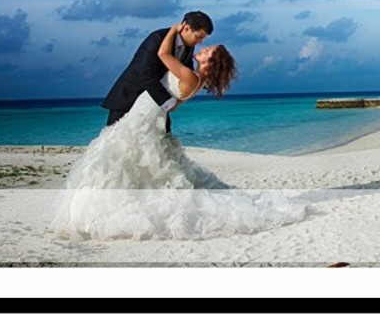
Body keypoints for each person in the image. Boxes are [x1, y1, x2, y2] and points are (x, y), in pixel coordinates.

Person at [50, 21, 305, 241]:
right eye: (204, 44)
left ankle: (103, 211)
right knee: (126, 164)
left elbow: (162, 54)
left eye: (208, 51)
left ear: (210, 63)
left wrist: (173, 30)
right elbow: (173, 105)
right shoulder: (195, 79)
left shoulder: (191, 77)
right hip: (147, 114)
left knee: (117, 162)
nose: (202, 48)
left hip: (144, 118)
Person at [100, 11, 215, 133]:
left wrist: (205, 81)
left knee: (163, 137)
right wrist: (167, 102)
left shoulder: (189, 45)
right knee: (115, 137)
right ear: (186, 28)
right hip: (130, 96)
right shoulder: (157, 38)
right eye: (199, 36)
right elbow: (144, 73)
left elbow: (185, 72)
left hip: (154, 103)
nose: (200, 42)